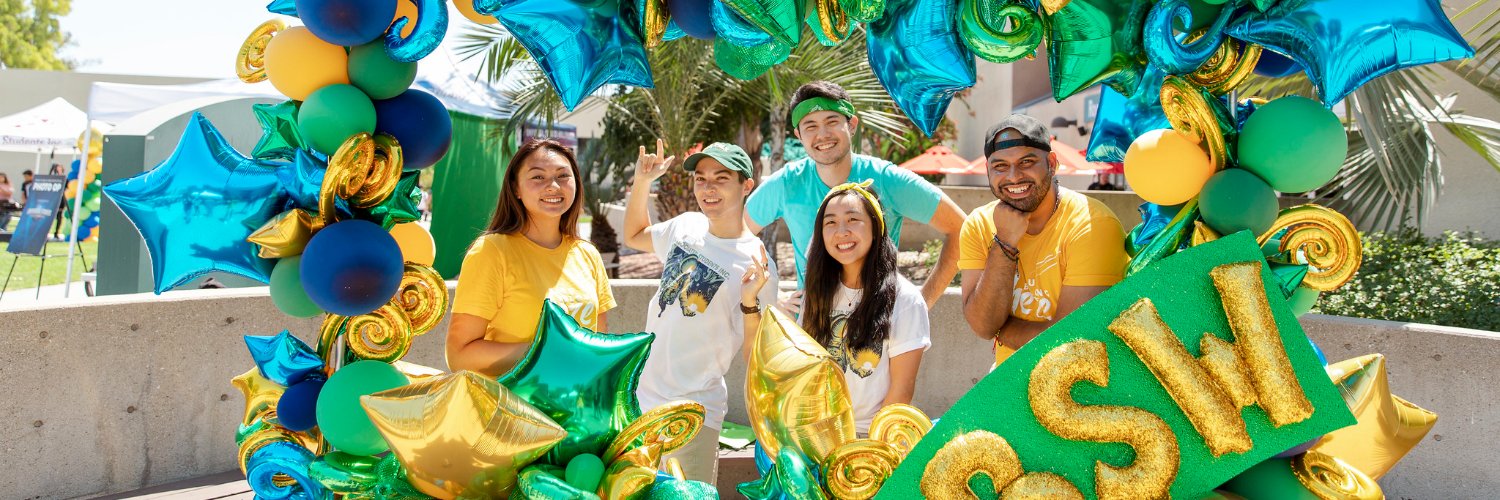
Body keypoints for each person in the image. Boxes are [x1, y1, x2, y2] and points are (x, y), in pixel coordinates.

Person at [622, 140, 778, 484]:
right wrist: (643, 181)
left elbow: (758, 358)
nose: (708, 188)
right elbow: (633, 235)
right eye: (701, 179)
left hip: (696, 410)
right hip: (640, 400)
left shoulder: (756, 262)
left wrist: (750, 301)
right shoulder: (685, 226)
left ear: (747, 185)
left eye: (721, 178)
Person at [745, 81, 965, 312]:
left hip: (880, 330)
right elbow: (735, 235)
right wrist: (773, 294)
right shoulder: (787, 183)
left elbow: (962, 228)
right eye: (810, 126)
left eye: (832, 122)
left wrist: (922, 303)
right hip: (812, 333)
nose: (822, 134)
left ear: (851, 125)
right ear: (799, 135)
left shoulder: (887, 179)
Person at [747, 182, 929, 433]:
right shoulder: (818, 292)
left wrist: (867, 452)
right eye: (830, 222)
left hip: (871, 438)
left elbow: (901, 392)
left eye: (853, 219)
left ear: (876, 228)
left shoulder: (906, 299)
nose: (841, 231)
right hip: (816, 434)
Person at [959, 115, 1128, 367]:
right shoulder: (978, 224)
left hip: (1086, 390)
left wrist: (1002, 329)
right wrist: (1005, 241)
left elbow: (1069, 341)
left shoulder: (1093, 223)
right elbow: (983, 326)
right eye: (1000, 166)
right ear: (988, 170)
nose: (1014, 177)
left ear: (1051, 163)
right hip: (1006, 385)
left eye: (1026, 162)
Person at [446, 139, 616, 377]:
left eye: (563, 175)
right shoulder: (491, 251)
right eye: (538, 177)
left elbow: (599, 345)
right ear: (516, 188)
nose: (553, 186)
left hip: (575, 410)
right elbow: (459, 355)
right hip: (511, 410)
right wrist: (545, 352)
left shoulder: (587, 254)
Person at [49, 164, 64, 240]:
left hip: (60, 201)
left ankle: (56, 233)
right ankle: (46, 233)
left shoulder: (64, 179)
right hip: (51, 200)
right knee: (49, 218)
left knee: (59, 217)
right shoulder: (50, 179)